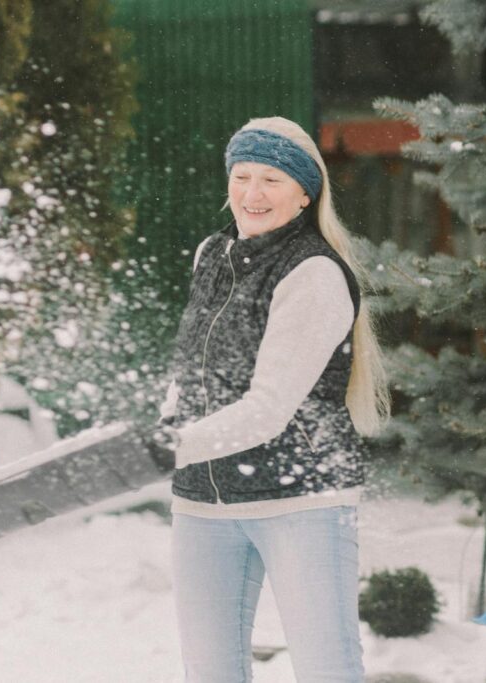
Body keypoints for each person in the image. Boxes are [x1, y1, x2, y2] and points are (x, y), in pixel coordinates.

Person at [156, 117, 389, 682]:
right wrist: (165, 421)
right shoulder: (212, 254)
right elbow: (191, 368)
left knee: (326, 669)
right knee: (210, 672)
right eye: (242, 176)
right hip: (204, 499)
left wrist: (168, 445)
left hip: (299, 495)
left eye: (273, 181)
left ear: (305, 193)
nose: (252, 194)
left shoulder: (312, 272)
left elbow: (268, 407)